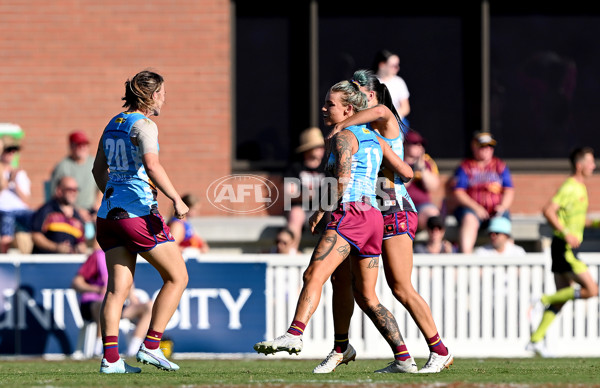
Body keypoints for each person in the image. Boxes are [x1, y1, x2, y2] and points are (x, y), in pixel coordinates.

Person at [254, 78, 417, 374]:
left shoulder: (343, 137)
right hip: (374, 219)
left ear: (349, 109)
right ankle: (403, 357)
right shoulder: (375, 138)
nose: (324, 108)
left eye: (330, 104)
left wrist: (321, 209)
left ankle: (295, 333)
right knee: (366, 296)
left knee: (313, 273)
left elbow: (341, 179)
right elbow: (406, 172)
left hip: (351, 214)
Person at [314, 69, 452, 374]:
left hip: (394, 210)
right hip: (368, 214)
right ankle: (381, 354)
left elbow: (380, 111)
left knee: (400, 286)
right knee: (355, 287)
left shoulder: (382, 120)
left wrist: (340, 126)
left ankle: (439, 351)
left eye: (357, 90)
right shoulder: (361, 132)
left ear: (371, 94)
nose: (352, 97)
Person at [92, 70, 189, 374]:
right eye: (161, 92)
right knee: (178, 278)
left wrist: (114, 195)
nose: (164, 98)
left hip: (107, 216)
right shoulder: (145, 125)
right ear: (149, 95)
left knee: (116, 291)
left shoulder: (113, 123)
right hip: (136, 216)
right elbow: (152, 165)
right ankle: (151, 347)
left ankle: (110, 360)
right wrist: (176, 198)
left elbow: (97, 170)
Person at [527, 147, 599, 357]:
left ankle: (535, 340)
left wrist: (596, 222)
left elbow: (578, 219)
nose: (594, 166)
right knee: (592, 290)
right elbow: (548, 210)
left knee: (562, 298)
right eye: (591, 162)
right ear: (580, 165)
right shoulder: (570, 186)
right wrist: (566, 232)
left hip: (562, 247)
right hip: (565, 248)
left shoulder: (581, 188)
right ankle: (541, 299)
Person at [72, 239, 153, 358]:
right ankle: (99, 350)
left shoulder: (124, 256)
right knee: (104, 304)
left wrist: (134, 301)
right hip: (92, 303)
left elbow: (128, 285)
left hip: (115, 305)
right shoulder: (98, 256)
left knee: (148, 307)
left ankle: (133, 351)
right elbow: (76, 282)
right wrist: (97, 289)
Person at [451, 131, 515, 253]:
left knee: (503, 223)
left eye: (490, 146)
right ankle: (466, 257)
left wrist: (503, 206)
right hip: (472, 210)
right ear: (474, 147)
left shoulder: (500, 166)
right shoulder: (465, 167)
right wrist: (476, 208)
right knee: (469, 219)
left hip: (495, 210)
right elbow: (458, 192)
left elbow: (509, 190)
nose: (487, 149)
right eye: (483, 146)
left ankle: (506, 259)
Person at [50, 130, 102, 237]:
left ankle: (97, 252)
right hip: (70, 210)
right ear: (71, 147)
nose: (83, 147)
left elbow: (101, 188)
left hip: (91, 209)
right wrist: (76, 210)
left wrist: (98, 206)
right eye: (79, 145)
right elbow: (55, 194)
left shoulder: (94, 163)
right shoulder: (63, 167)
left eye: (85, 144)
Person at [283, 127, 327, 253]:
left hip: (322, 210)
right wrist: (308, 195)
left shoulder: (327, 167)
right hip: (301, 209)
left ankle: (330, 253)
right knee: (296, 214)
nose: (321, 149)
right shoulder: (296, 167)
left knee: (333, 214)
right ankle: (291, 252)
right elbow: (289, 193)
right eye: (317, 146)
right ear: (308, 148)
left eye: (322, 146)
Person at [30, 176, 87, 254]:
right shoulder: (46, 210)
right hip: (46, 263)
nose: (73, 193)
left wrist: (81, 248)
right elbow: (35, 235)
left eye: (76, 190)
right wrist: (55, 247)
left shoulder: (77, 217)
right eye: (69, 190)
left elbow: (81, 242)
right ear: (59, 191)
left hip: (68, 264)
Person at [403, 130, 442, 232]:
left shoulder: (427, 162)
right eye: (415, 143)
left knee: (433, 216)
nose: (420, 146)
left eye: (421, 144)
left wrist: (422, 169)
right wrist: (412, 170)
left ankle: (434, 246)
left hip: (422, 206)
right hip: (401, 206)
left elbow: (433, 187)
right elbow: (401, 185)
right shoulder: (397, 161)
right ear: (405, 144)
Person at [0, 141, 34, 253]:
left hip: (21, 210)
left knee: (37, 219)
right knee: (7, 219)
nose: (11, 154)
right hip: (4, 210)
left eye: (13, 151)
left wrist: (15, 183)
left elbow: (26, 199)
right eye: (8, 151)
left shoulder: (20, 173)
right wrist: (8, 179)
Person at [371, 49, 411, 125]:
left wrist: (392, 118)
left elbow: (405, 107)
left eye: (397, 65)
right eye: (394, 66)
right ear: (382, 65)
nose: (397, 68)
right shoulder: (370, 82)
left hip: (394, 124)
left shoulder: (399, 82)